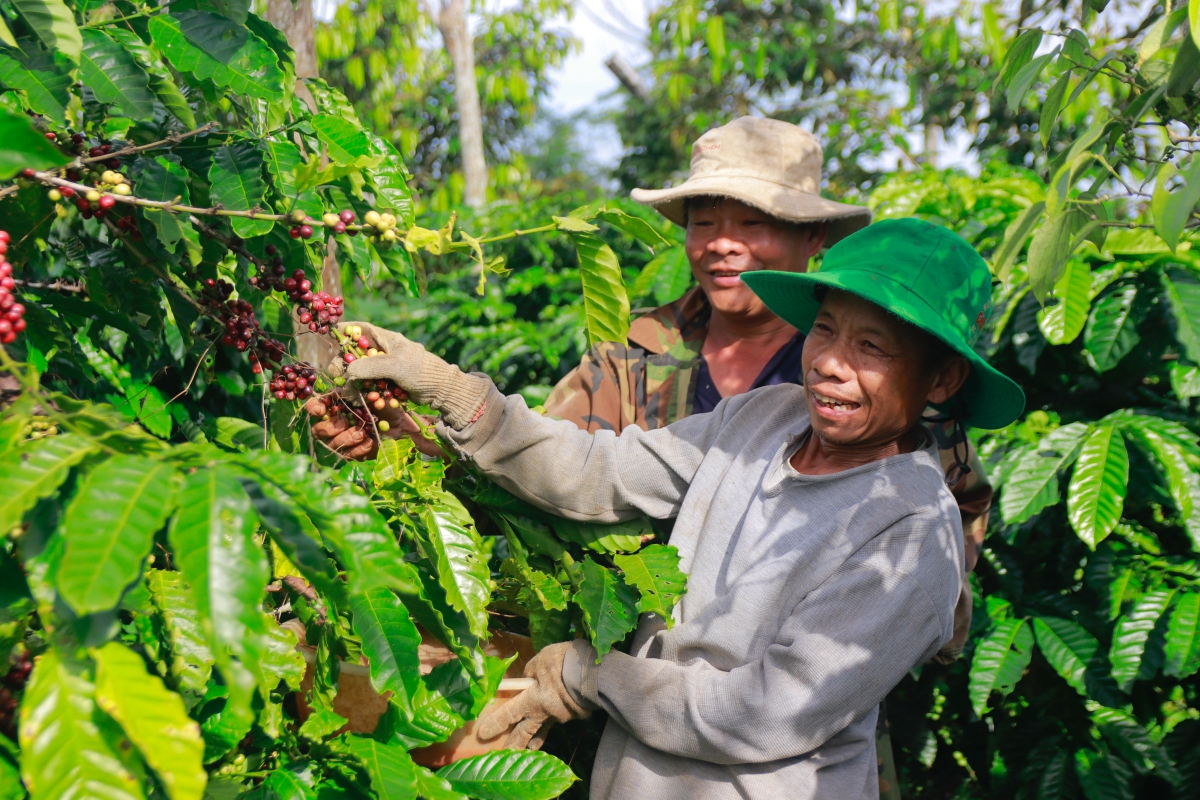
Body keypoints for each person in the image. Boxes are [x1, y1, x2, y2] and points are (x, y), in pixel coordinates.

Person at [309, 116, 992, 795]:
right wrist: (448, 396)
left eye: (872, 348)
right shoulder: (762, 415)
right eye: (828, 332)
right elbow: (591, 470)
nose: (833, 366)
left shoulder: (908, 525)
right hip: (628, 756)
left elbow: (771, 709)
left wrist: (596, 673)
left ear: (941, 380)